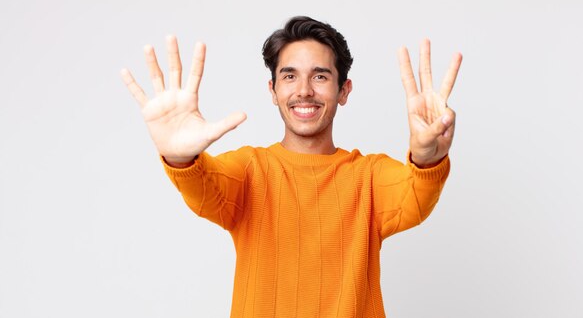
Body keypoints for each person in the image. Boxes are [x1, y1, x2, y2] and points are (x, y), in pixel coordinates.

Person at [121, 16, 462, 318]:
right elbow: (205, 187)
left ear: (344, 90)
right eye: (289, 76)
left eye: (320, 76)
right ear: (273, 90)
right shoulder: (248, 170)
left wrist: (427, 156)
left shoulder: (368, 177)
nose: (303, 91)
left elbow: (412, 194)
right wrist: (181, 158)